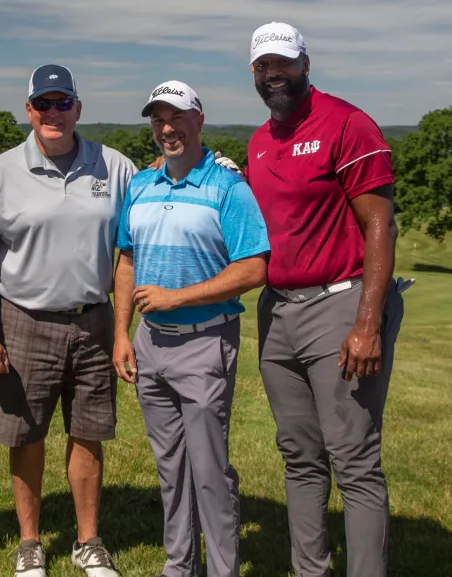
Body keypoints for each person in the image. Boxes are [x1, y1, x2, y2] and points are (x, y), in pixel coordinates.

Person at [0, 64, 134, 577]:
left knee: (89, 433)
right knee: (25, 435)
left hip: (93, 321)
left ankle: (87, 541)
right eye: (44, 103)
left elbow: (133, 243)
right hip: (21, 319)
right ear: (28, 110)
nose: (53, 113)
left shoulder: (115, 166)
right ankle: (30, 542)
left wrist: (215, 165)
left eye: (63, 103)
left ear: (78, 108)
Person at [245, 22, 406, 577]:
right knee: (300, 457)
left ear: (306, 64)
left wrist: (367, 323)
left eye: (284, 63)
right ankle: (308, 570)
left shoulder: (347, 123)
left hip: (342, 302)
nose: (275, 74)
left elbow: (380, 224)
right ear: (254, 73)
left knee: (354, 460)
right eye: (265, 66)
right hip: (278, 310)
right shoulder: (260, 141)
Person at [112, 80, 270, 577]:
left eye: (177, 117)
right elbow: (127, 260)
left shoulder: (228, 186)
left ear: (198, 120)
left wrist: (176, 297)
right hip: (149, 343)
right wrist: (122, 332)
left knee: (209, 473)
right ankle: (180, 567)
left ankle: (222, 570)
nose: (167, 128)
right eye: (158, 119)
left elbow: (253, 269)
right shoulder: (141, 184)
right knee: (170, 469)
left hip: (205, 341)